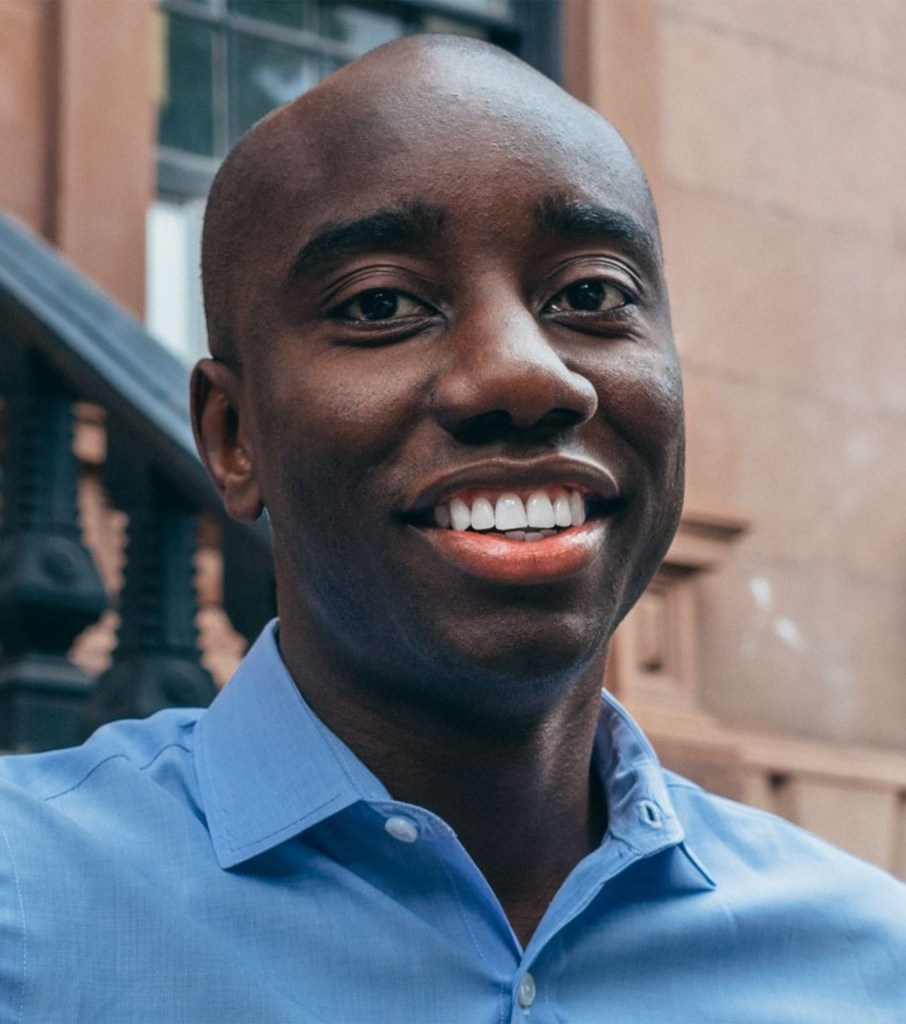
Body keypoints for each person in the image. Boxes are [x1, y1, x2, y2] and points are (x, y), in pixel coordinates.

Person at [1, 35, 904, 1023]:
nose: (525, 375)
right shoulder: (29, 903)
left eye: (591, 296)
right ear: (232, 436)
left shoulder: (867, 963)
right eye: (381, 304)